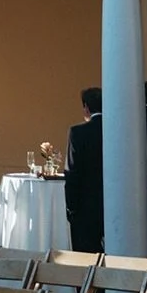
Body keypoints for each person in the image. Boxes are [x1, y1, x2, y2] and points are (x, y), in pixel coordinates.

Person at [64, 87, 104, 253]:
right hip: (113, 202)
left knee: (85, 256)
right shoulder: (117, 129)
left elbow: (72, 171)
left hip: (86, 204)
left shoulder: (78, 132)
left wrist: (71, 207)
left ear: (86, 107)